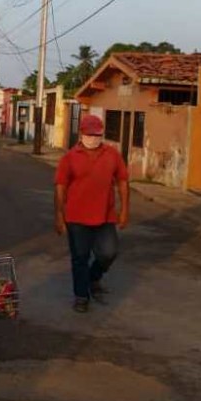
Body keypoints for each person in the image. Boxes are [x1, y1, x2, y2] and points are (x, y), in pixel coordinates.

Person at [54, 114, 129, 314]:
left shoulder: (112, 155)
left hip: (105, 216)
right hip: (76, 218)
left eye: (97, 135)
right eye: (89, 135)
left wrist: (124, 210)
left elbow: (122, 181)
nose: (93, 139)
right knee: (80, 257)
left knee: (109, 253)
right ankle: (81, 296)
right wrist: (59, 215)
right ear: (81, 134)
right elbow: (60, 187)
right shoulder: (69, 157)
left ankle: (93, 277)